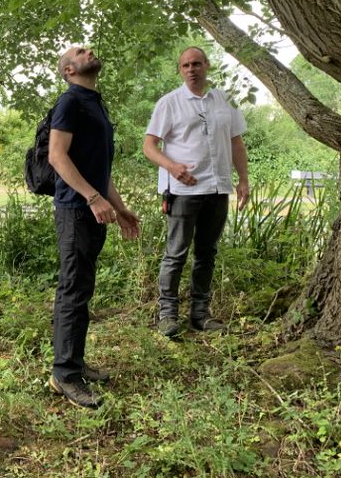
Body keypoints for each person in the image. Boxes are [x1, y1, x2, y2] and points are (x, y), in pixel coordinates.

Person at [46, 46, 140, 409]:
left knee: (82, 288)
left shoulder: (95, 102)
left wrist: (119, 207)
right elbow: (57, 155)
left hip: (92, 210)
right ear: (69, 70)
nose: (89, 50)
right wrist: (91, 198)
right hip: (75, 211)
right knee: (73, 289)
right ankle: (64, 374)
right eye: (79, 52)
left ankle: (75, 362)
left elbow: (98, 168)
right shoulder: (69, 101)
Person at [143, 46, 249, 338]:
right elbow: (149, 146)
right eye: (185, 65)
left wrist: (243, 180)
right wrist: (172, 166)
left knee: (207, 253)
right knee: (175, 253)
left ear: (207, 66)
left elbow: (237, 142)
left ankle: (200, 315)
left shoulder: (225, 99)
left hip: (217, 187)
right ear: (180, 70)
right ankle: (167, 316)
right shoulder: (170, 103)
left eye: (196, 64)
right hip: (182, 190)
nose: (191, 69)